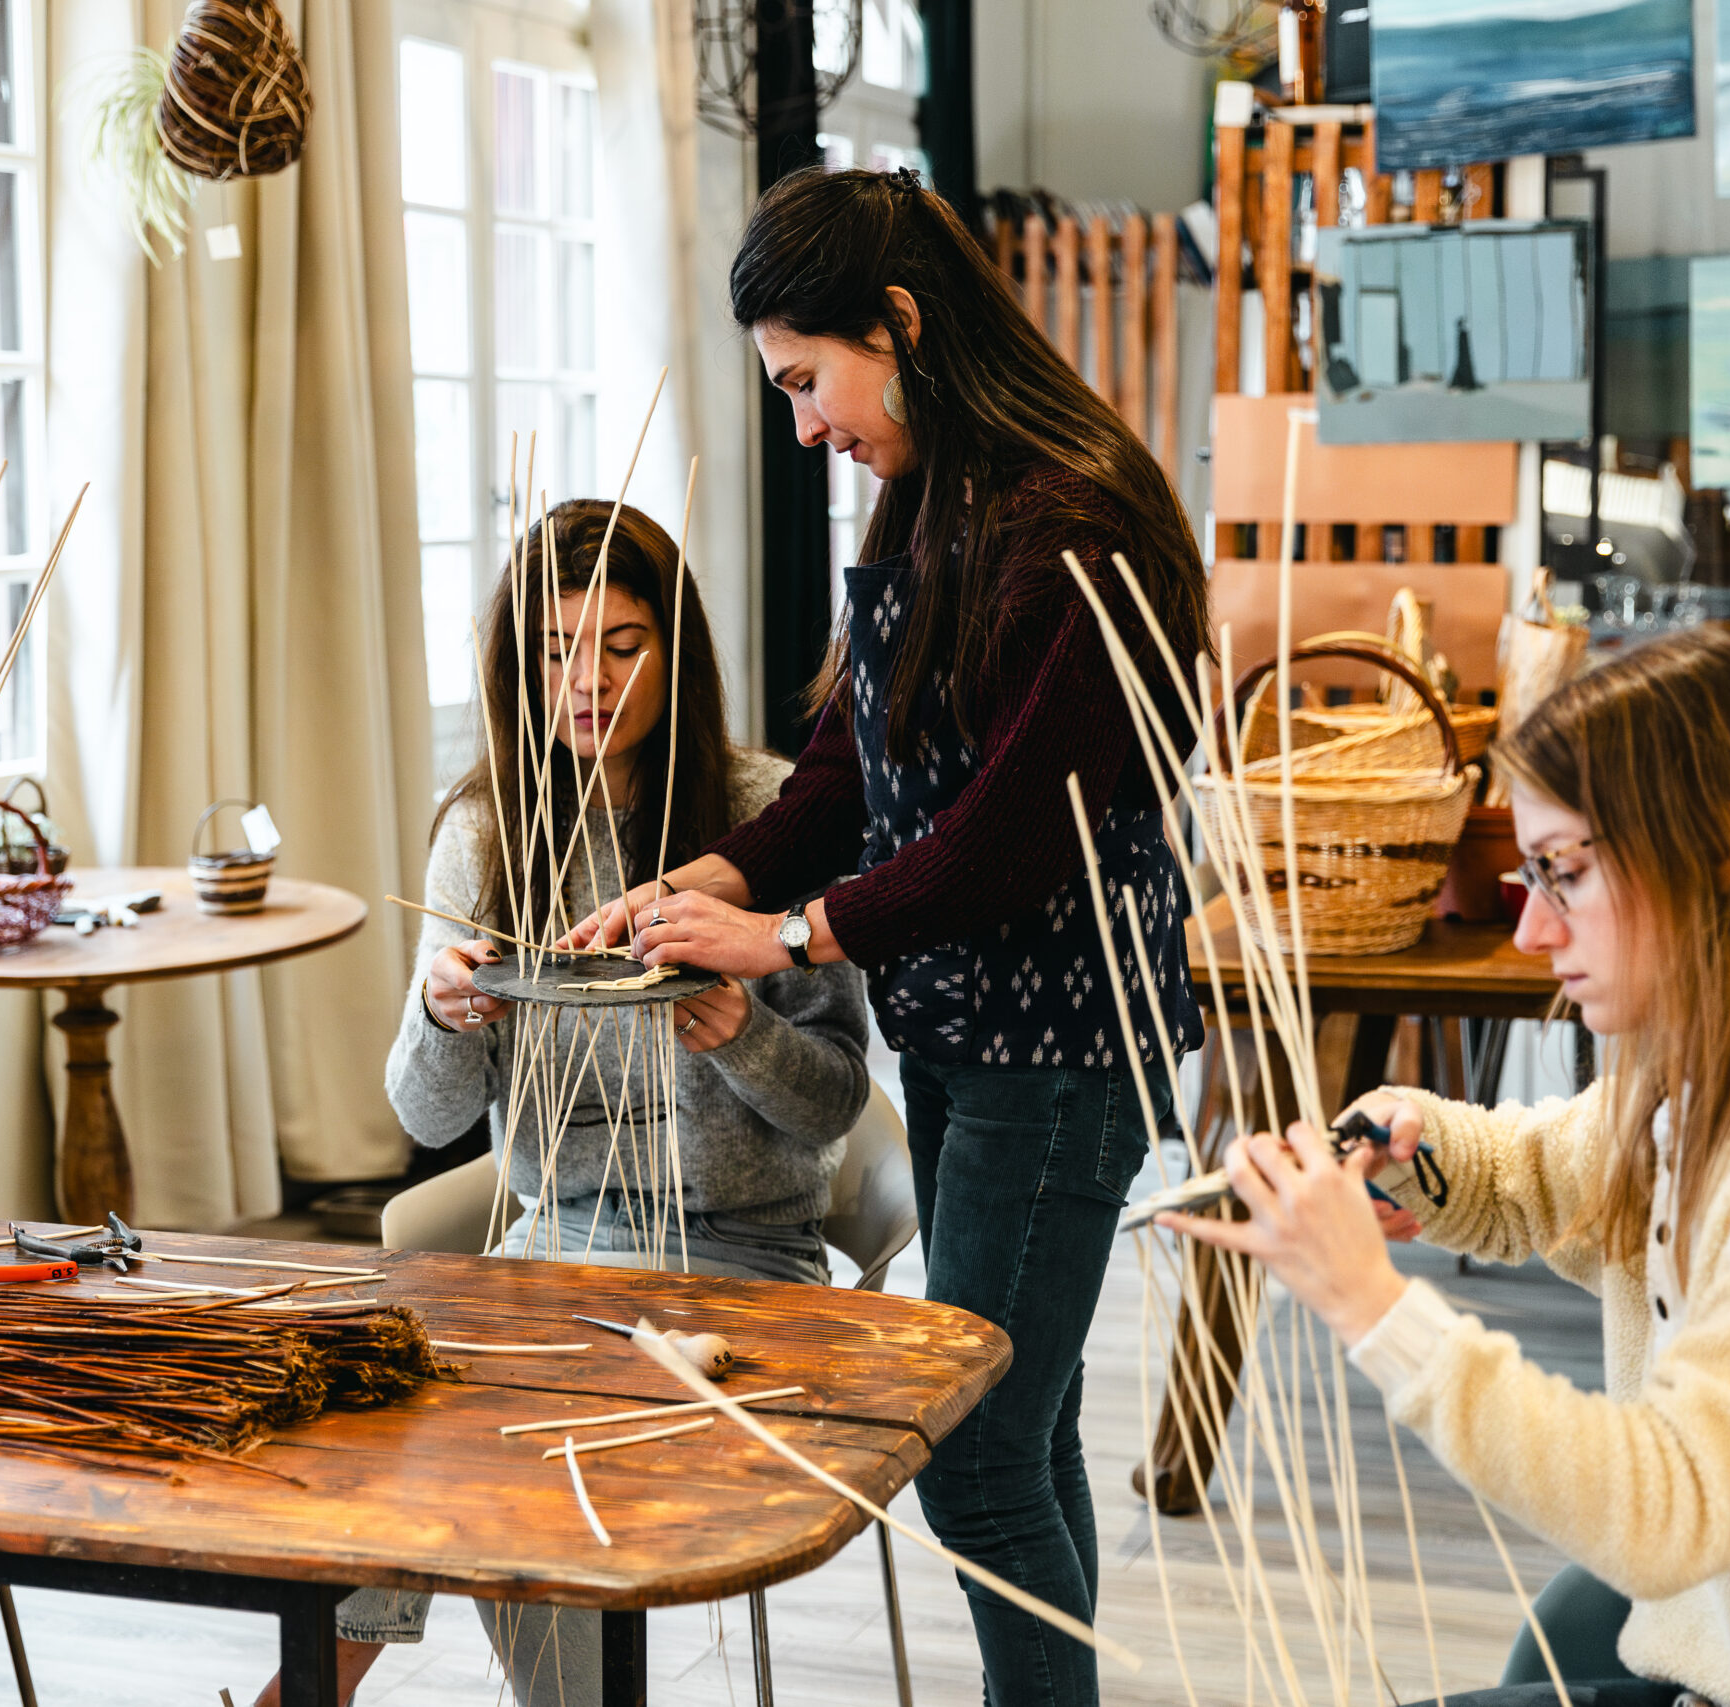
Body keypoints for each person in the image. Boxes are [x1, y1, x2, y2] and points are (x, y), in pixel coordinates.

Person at [565, 166, 1214, 1707]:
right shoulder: (935, 488)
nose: (805, 425)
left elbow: (1000, 845)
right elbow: (856, 768)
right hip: (972, 1041)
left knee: (977, 1458)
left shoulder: (1080, 518)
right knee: (1026, 1428)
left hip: (1056, 1054)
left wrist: (786, 935)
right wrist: (709, 878)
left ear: (900, 322)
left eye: (809, 379)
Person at [1171, 627, 1730, 1706]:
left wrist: (1372, 1304)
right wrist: (1412, 1146)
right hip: (1706, 1661)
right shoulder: (1707, 1086)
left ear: (1721, 852)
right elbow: (1539, 1174)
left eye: (1563, 874)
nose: (1530, 932)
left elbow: (1672, 1508)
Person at [252, 498, 874, 1707]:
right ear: (515, 661)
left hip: (738, 1255)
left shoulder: (776, 811)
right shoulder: (485, 834)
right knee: (396, 1430)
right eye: (553, 649)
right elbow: (427, 1119)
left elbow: (836, 1104)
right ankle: (315, 1690)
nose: (585, 680)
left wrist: (742, 1034)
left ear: (675, 647)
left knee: (519, 1455)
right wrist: (445, 1016)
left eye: (621, 644)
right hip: (544, 1251)